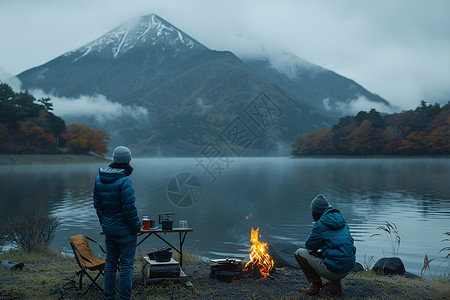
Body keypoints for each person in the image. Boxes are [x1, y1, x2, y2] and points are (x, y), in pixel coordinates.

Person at [93, 146, 142, 300]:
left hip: (109, 229)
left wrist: (105, 223)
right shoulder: (124, 182)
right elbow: (129, 210)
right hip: (125, 232)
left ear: (114, 159)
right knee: (126, 265)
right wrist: (137, 227)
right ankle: (125, 298)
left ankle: (109, 297)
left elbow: (98, 205)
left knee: (110, 263)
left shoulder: (99, 179)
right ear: (128, 160)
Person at [294, 194, 356, 296]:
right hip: (348, 267)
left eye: (312, 212)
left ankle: (315, 287)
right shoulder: (342, 220)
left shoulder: (320, 224)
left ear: (315, 212)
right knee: (336, 252)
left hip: (334, 270)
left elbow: (309, 246)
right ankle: (335, 285)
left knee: (299, 253)